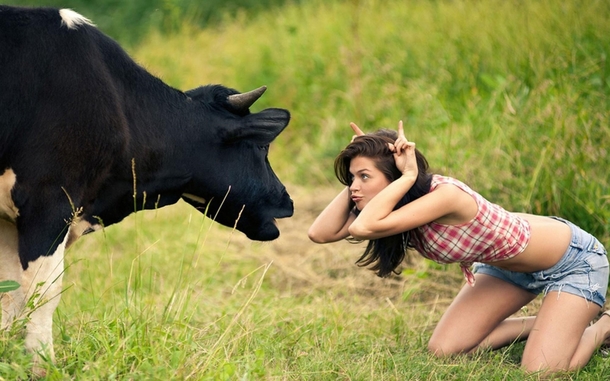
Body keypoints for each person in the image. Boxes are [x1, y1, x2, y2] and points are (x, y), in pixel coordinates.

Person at [308, 121, 610, 375]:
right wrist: (361, 173)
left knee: (539, 372)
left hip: (573, 262)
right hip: (506, 270)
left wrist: (409, 174)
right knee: (444, 349)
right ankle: (550, 325)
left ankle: (601, 327)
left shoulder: (445, 196)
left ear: (396, 178)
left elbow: (362, 228)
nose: (354, 188)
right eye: (351, 178)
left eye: (363, 177)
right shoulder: (392, 209)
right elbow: (320, 233)